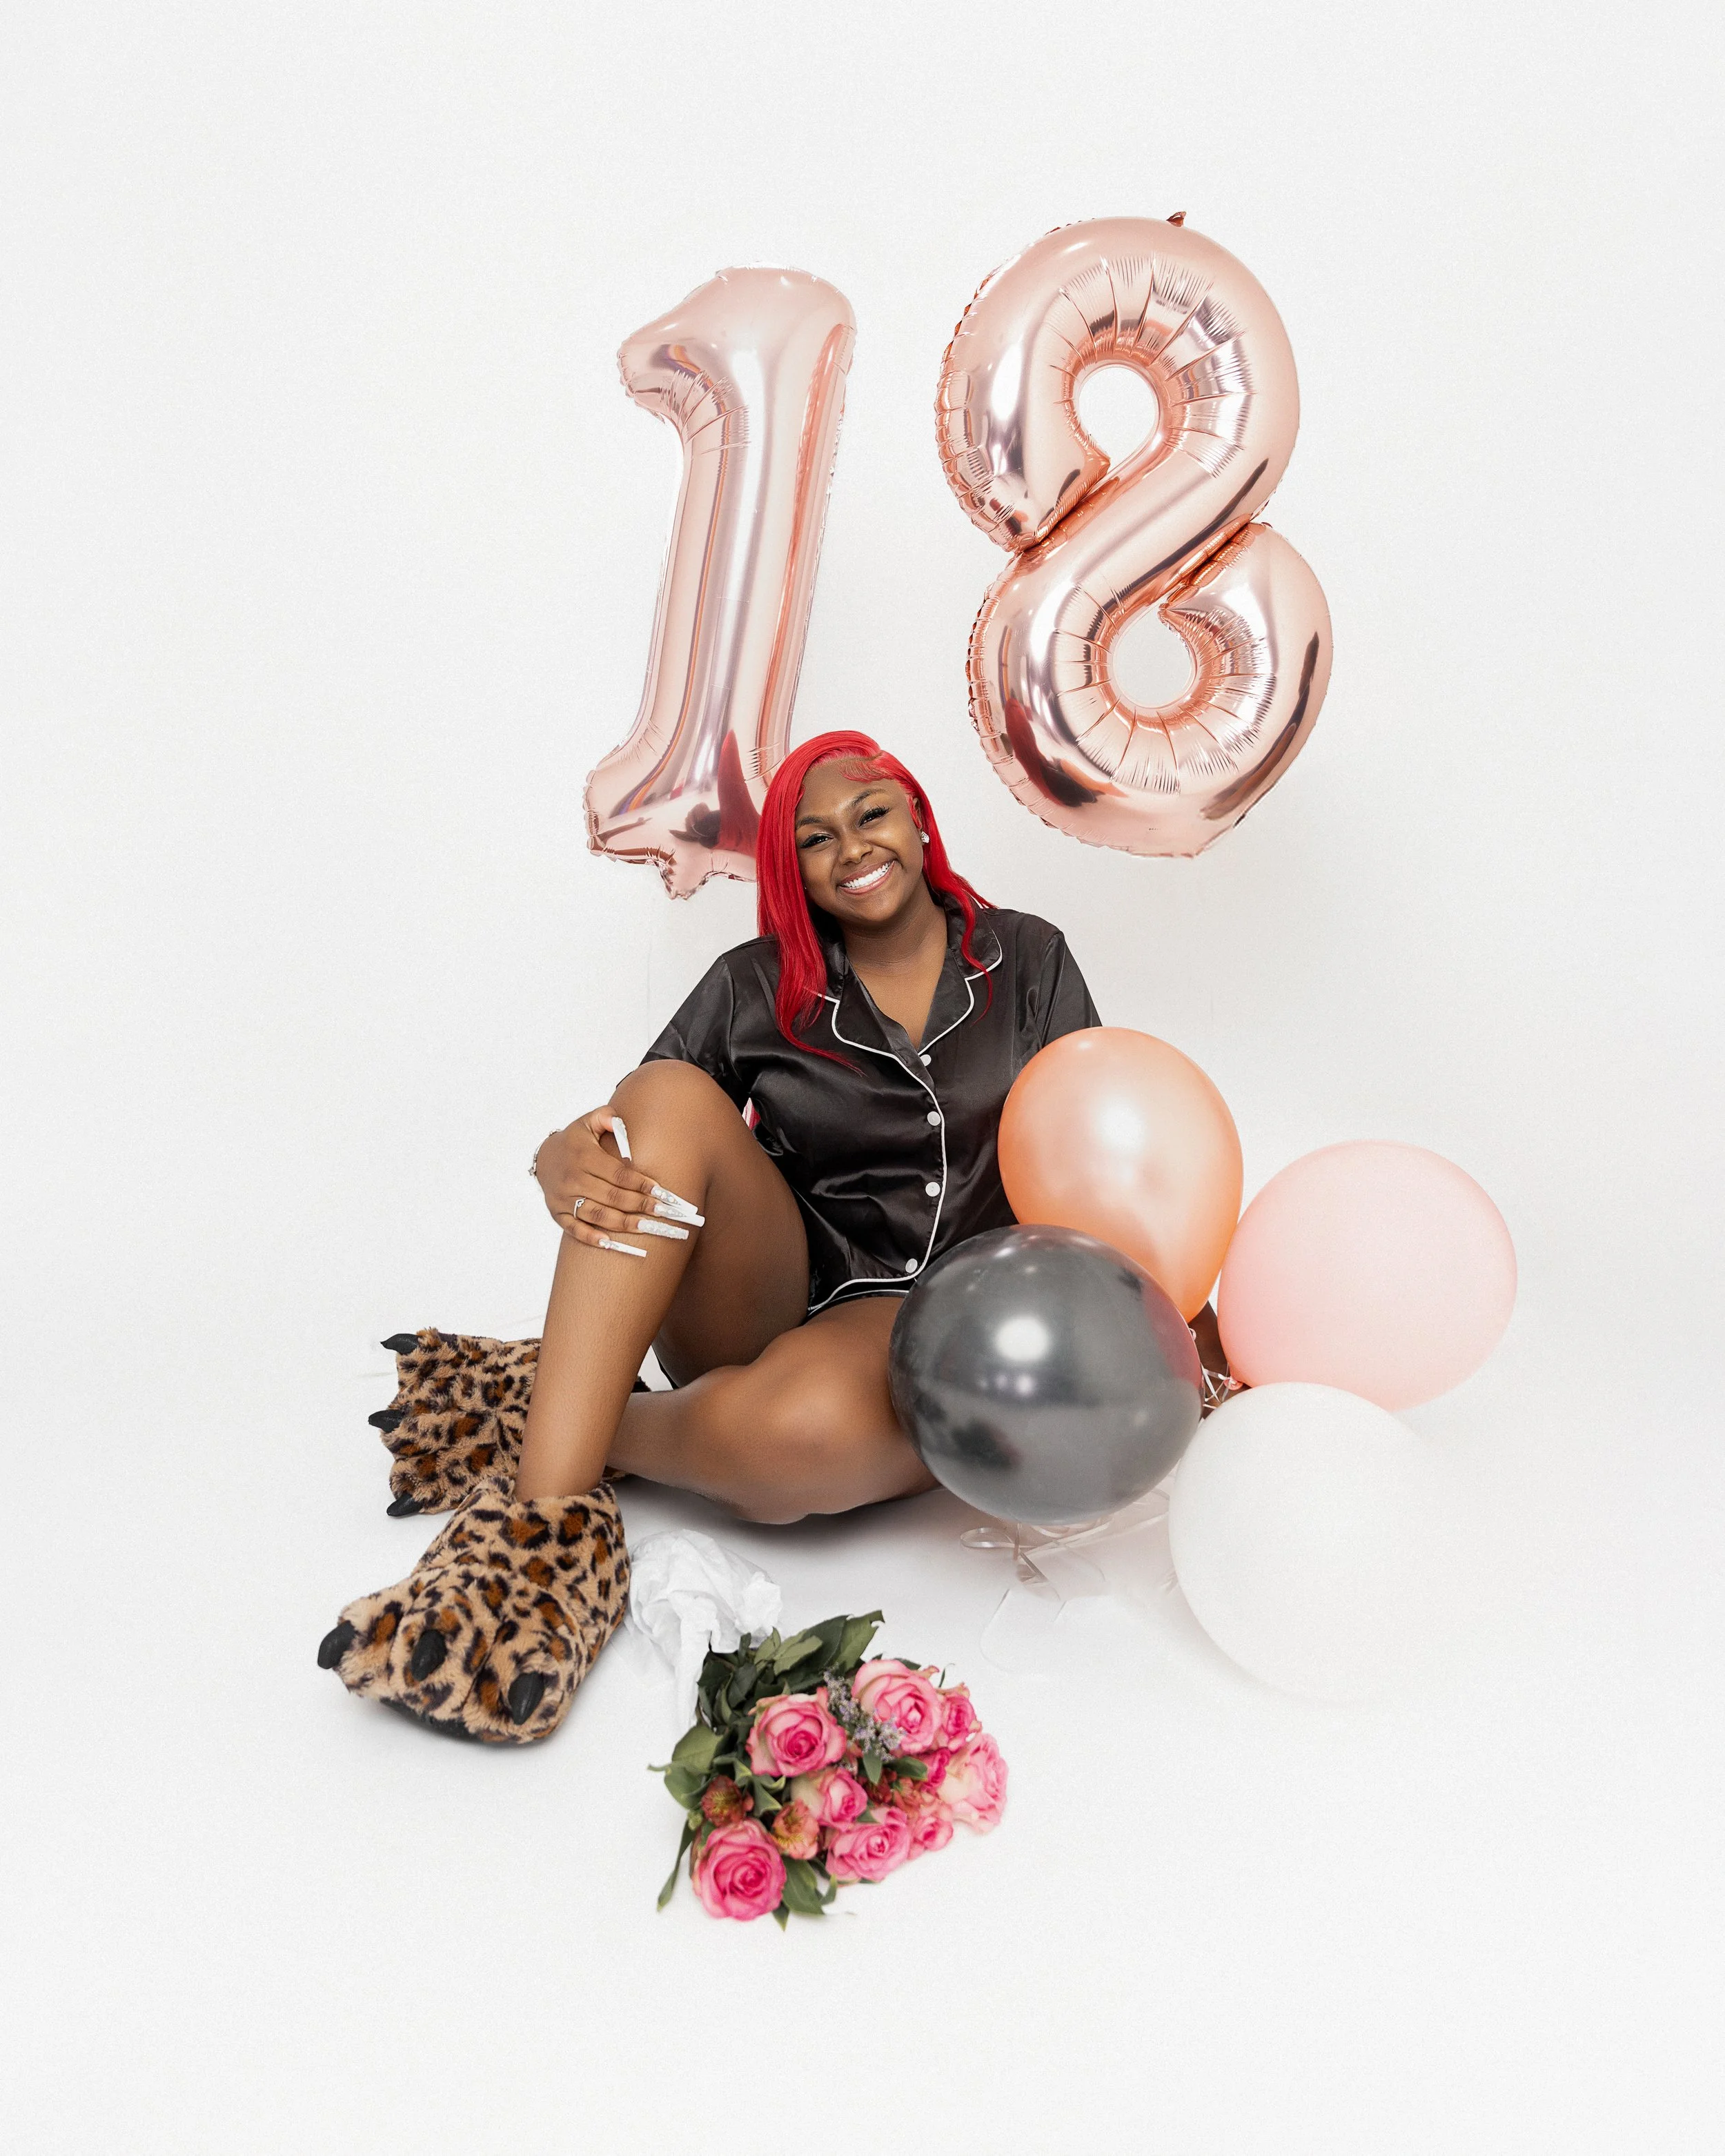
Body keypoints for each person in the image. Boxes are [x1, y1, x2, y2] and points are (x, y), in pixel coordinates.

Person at [317, 730, 1108, 1745]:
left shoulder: (1028, 959)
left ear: (916, 817)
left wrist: (1167, 1322)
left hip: (964, 1317)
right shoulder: (752, 983)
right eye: (814, 838)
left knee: (792, 1448)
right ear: (792, 868)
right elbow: (644, 1129)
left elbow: (1094, 1139)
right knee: (668, 1096)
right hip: (784, 1289)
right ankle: (538, 1545)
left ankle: (559, 1403)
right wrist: (557, 1156)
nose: (851, 848)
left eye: (871, 815)